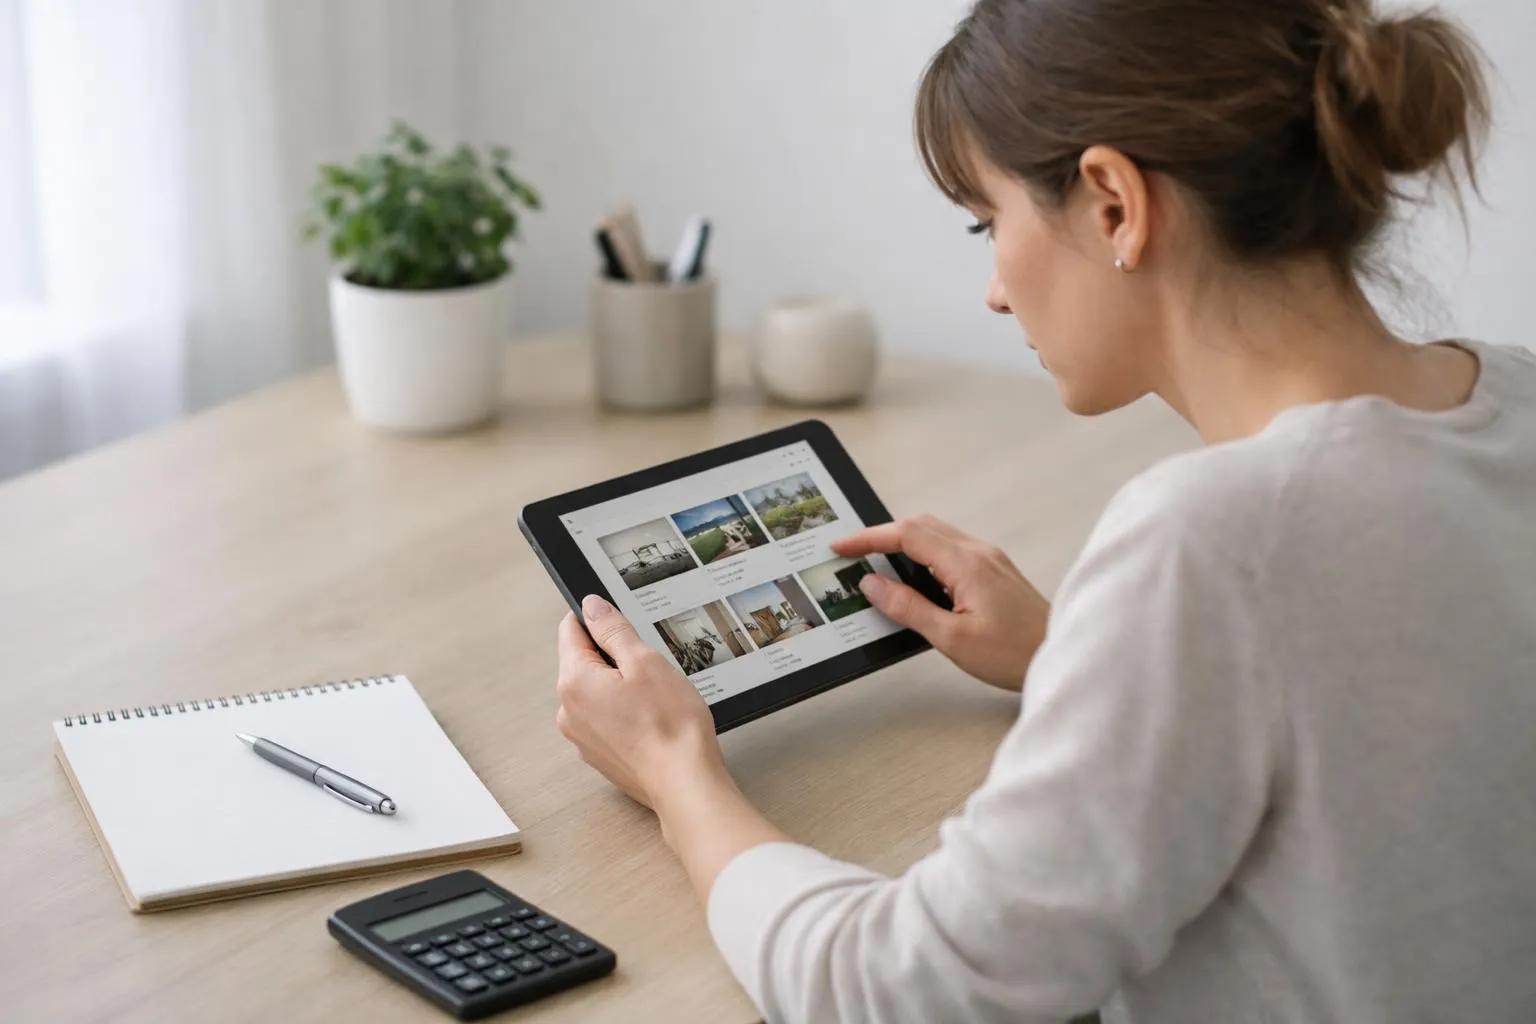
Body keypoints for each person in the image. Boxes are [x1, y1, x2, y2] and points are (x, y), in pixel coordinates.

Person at [552, 1, 1536, 1020]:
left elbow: (897, 991)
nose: (992, 289)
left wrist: (676, 774)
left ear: (1114, 202)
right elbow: (1385, 701)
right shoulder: (1517, 399)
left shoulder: (1210, 541)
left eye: (989, 221)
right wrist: (1077, 658)